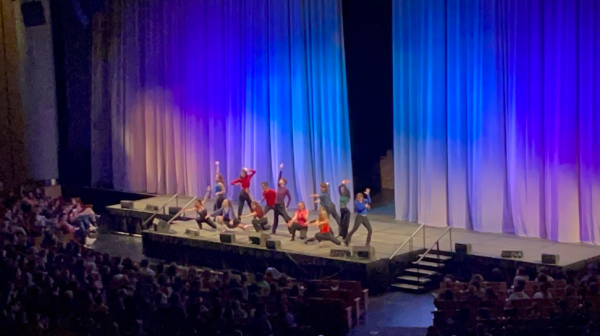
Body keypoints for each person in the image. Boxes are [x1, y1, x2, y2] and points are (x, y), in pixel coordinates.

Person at [270, 163, 292, 234]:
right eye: (280, 180)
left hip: (281, 206)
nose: (280, 180)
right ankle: (273, 231)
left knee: (286, 218)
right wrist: (281, 169)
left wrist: (287, 206)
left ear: (284, 182)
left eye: (281, 180)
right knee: (275, 219)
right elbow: (279, 177)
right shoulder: (278, 187)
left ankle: (291, 231)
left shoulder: (286, 189)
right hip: (276, 205)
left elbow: (289, 198)